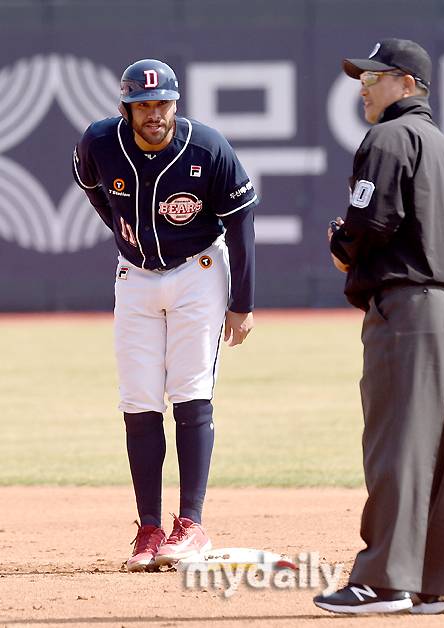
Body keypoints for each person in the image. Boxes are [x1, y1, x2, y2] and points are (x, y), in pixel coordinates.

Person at [313, 39, 444, 615]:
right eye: (362, 78)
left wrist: (342, 246)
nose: (363, 87)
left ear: (407, 84)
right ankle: (432, 584)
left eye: (374, 77)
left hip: (410, 308)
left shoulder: (388, 137)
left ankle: (382, 582)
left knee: (398, 445)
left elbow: (371, 220)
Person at [72, 59, 258, 572]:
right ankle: (149, 528)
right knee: (137, 398)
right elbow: (91, 187)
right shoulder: (99, 142)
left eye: (162, 103)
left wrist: (242, 303)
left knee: (191, 390)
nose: (153, 113)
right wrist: (121, 229)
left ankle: (191, 524)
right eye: (142, 105)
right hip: (134, 276)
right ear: (125, 109)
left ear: (176, 104)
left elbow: (241, 224)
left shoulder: (207, 148)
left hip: (198, 271)